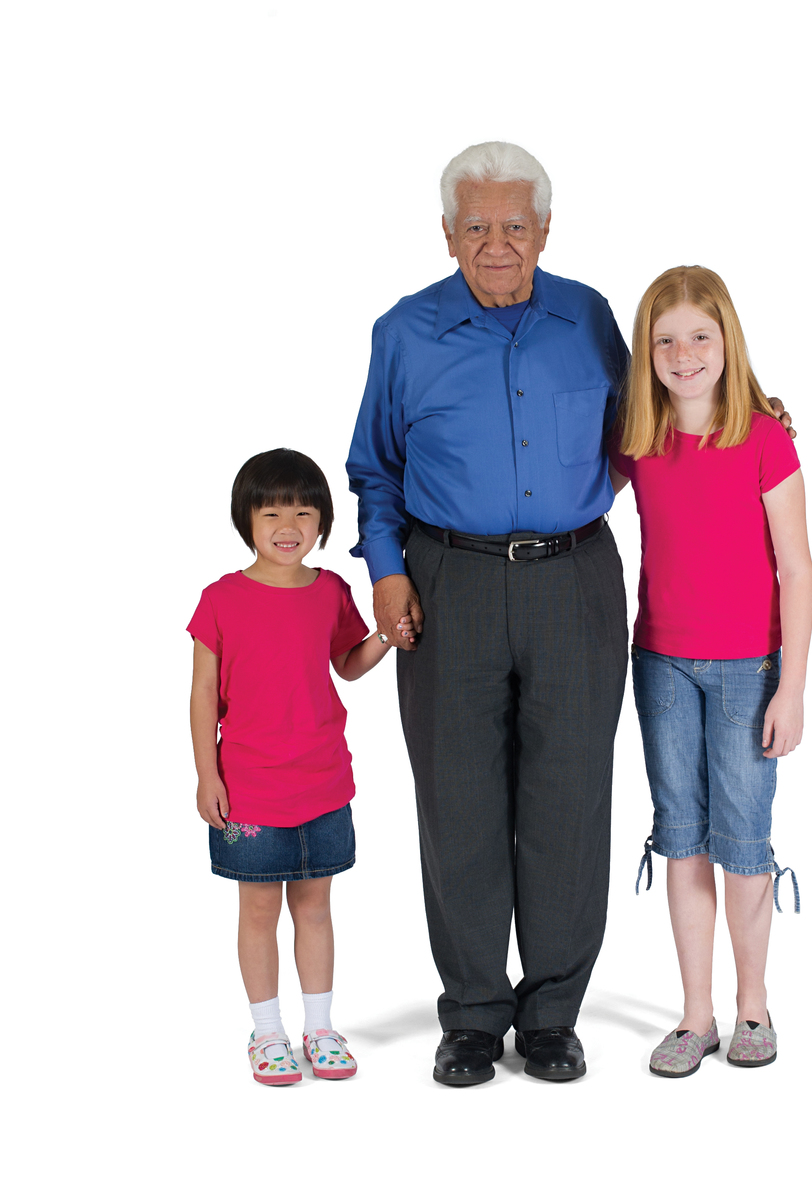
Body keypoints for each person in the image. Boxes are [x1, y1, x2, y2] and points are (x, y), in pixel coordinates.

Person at [347, 142, 631, 1085]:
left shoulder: (590, 319)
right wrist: (386, 573)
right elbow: (374, 468)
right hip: (444, 583)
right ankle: (472, 1012)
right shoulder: (405, 333)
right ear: (447, 233)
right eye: (477, 227)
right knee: (458, 800)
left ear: (545, 230)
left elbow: (654, 430)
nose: (497, 244)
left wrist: (754, 419)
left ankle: (551, 1013)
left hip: (575, 578)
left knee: (570, 799)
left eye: (515, 226)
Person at [609, 266, 812, 1078]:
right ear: (645, 353)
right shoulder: (638, 439)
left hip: (746, 671)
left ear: (727, 341)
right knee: (682, 838)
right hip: (659, 663)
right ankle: (696, 1016)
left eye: (700, 336)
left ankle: (752, 1008)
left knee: (743, 842)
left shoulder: (765, 438)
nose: (684, 354)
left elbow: (796, 569)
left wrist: (791, 687)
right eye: (665, 341)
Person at [188, 448, 407, 1085]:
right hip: (249, 790)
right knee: (257, 910)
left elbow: (349, 663)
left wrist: (388, 636)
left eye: (305, 511)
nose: (290, 523)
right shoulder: (221, 599)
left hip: (323, 781)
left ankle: (319, 1028)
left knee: (315, 907)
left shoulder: (332, 590)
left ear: (322, 523)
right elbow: (203, 693)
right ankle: (267, 1034)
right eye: (273, 510)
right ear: (247, 520)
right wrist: (208, 774)